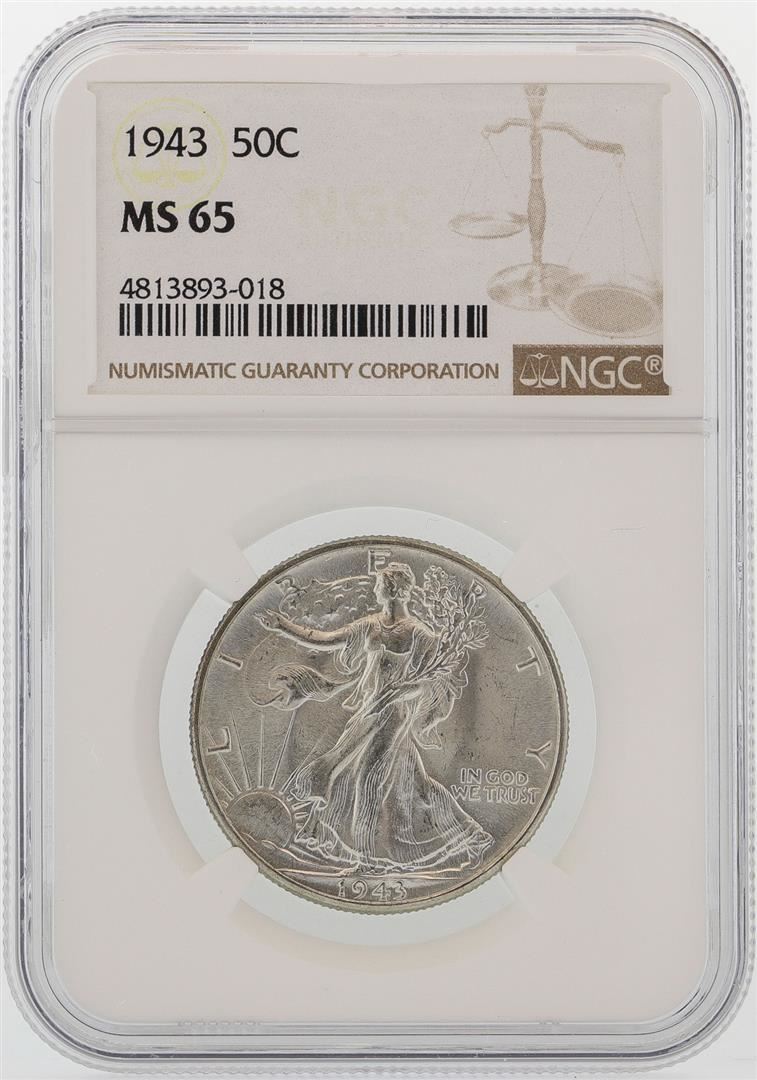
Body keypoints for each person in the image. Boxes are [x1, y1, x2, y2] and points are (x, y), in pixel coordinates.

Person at [257, 562, 493, 873]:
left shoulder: (419, 634)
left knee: (367, 781)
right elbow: (325, 638)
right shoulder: (370, 625)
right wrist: (283, 626)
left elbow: (426, 682)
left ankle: (365, 861)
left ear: (391, 589)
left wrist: (399, 692)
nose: (376, 589)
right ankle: (469, 837)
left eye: (380, 584)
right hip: (368, 711)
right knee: (415, 783)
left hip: (393, 716)